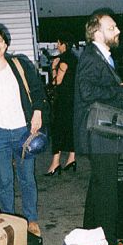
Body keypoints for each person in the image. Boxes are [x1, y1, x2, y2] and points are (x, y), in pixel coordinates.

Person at [0, 26, 47, 237]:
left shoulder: (19, 65)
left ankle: (31, 220)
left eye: (0, 41)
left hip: (23, 131)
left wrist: (37, 112)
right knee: (4, 182)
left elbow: (38, 90)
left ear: (6, 44)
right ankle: (9, 221)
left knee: (27, 178)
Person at [74, 9, 123, 245]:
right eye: (111, 28)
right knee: (108, 188)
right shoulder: (91, 56)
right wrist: (120, 90)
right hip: (99, 134)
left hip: (100, 134)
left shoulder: (100, 54)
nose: (117, 31)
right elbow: (86, 92)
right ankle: (109, 242)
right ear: (96, 32)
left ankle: (90, 233)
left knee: (99, 184)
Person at [45, 32, 78, 175]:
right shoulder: (74, 58)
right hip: (73, 99)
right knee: (70, 128)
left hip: (62, 100)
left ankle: (55, 163)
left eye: (58, 43)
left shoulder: (62, 60)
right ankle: (71, 159)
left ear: (63, 44)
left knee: (57, 129)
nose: (57, 46)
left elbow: (57, 82)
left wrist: (53, 68)